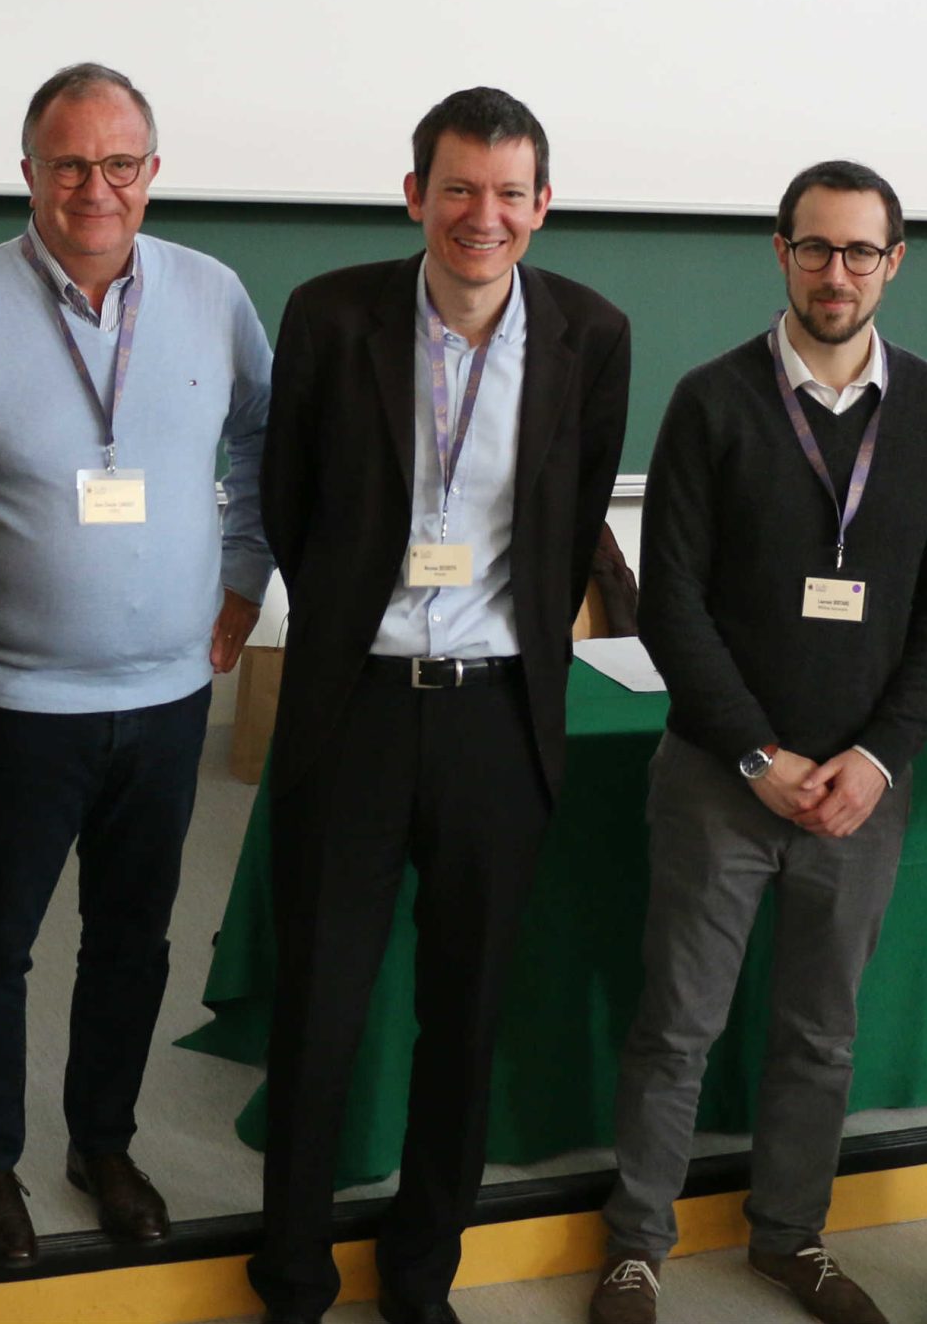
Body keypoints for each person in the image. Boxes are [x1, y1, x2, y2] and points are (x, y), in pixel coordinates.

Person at [249, 87, 632, 1324]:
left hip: (494, 719)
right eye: (458, 187)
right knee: (320, 1008)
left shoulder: (591, 333)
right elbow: (289, 500)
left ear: (543, 203)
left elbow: (570, 526)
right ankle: (292, 1273)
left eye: (510, 191)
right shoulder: (331, 314)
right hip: (352, 707)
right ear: (415, 194)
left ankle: (422, 1272)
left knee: (463, 1017)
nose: (484, 215)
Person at [0, 63, 273, 1259]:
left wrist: (245, 574)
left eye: (119, 164)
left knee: (132, 940)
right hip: (14, 701)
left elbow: (264, 435)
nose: (94, 188)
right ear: (28, 174)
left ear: (152, 173)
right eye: (69, 164)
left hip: (167, 696)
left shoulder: (212, 294)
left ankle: (102, 1142)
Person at [596, 162, 927, 1324]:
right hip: (722, 779)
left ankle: (790, 1236)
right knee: (677, 1027)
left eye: (859, 250)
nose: (835, 272)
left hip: (861, 790)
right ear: (781, 252)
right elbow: (669, 600)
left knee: (820, 1035)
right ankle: (636, 1245)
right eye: (814, 247)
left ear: (893, 263)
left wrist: (877, 755)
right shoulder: (711, 399)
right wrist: (757, 755)